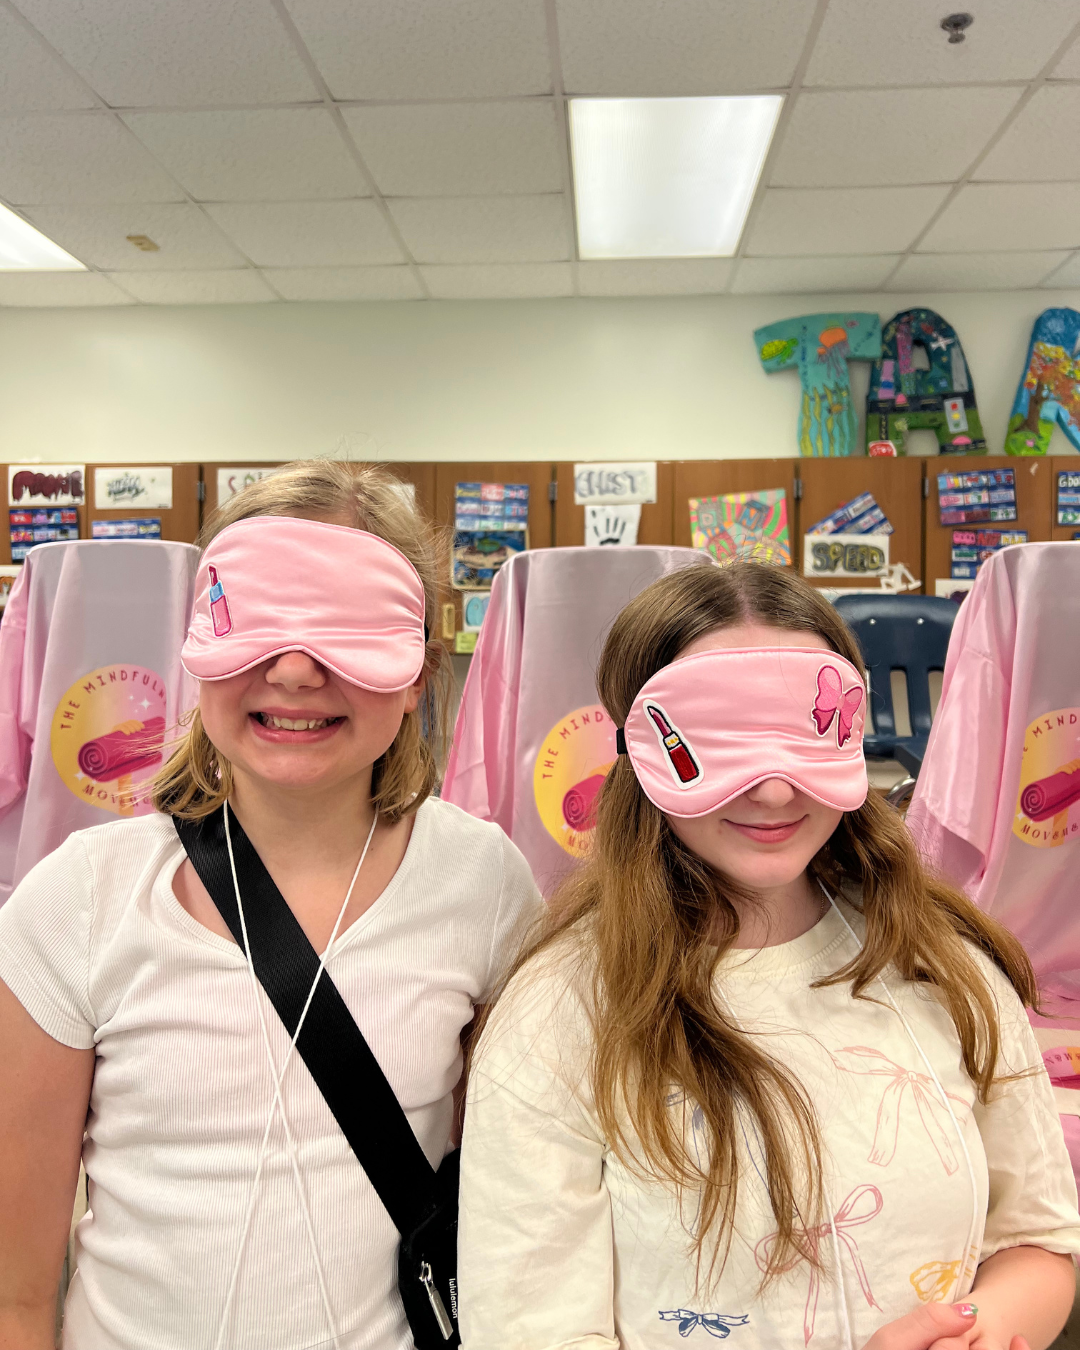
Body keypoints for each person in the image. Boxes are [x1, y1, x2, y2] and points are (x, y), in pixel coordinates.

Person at [459, 561, 1080, 1350]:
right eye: (724, 741)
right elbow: (529, 1329)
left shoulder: (942, 966)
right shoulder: (560, 1012)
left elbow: (1038, 1238)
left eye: (803, 734)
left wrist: (979, 1329)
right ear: (640, 747)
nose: (776, 792)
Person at [0, 461, 541, 1350]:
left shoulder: (483, 886)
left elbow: (518, 1205)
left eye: (349, 631)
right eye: (256, 624)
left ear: (417, 671)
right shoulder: (80, 900)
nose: (293, 669)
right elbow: (15, 1293)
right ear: (196, 643)